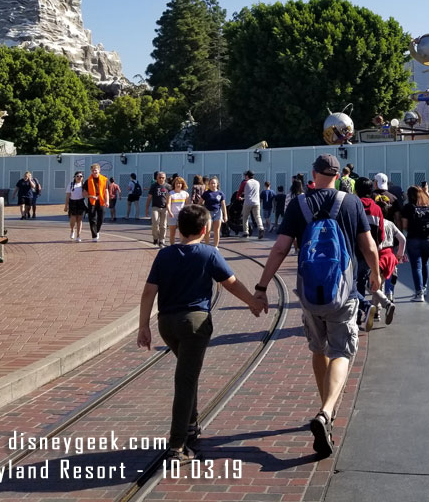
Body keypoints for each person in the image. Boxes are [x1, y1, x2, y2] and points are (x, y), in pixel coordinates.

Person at [252, 154, 380, 458]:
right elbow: (369, 246)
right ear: (338, 175)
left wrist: (261, 286)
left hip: (310, 292)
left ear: (314, 174)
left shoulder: (299, 204)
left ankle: (327, 409)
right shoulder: (351, 203)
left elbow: (281, 247)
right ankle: (326, 412)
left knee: (318, 349)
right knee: (342, 351)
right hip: (343, 291)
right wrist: (376, 275)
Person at [137, 204, 264, 461]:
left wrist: (143, 326)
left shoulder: (165, 255)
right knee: (185, 381)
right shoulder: (208, 253)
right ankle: (177, 445)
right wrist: (252, 301)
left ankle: (191, 424)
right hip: (194, 324)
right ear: (205, 229)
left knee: (187, 372)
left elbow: (149, 291)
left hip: (167, 324)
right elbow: (230, 283)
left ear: (180, 228)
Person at [354, 176, 386, 328]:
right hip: (371, 251)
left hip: (355, 250)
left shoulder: (354, 205)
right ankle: (380, 306)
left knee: (354, 282)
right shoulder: (377, 209)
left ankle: (360, 312)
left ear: (356, 190)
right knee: (371, 280)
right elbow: (381, 233)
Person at [401, 183, 429, 302]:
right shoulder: (427, 205)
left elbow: (405, 225)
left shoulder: (407, 207)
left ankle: (418, 293)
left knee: (416, 266)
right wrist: (426, 191)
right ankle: (424, 288)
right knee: (425, 263)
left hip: (414, 239)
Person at [84, 163, 110, 242]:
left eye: (95, 170)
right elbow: (84, 192)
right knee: (92, 219)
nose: (94, 172)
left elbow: (106, 191)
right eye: (92, 170)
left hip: (101, 201)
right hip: (92, 201)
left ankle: (97, 230)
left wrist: (107, 201)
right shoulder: (88, 181)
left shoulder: (104, 180)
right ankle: (94, 236)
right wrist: (91, 196)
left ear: (99, 170)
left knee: (101, 218)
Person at [146, 171, 171, 247]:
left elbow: (171, 198)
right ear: (157, 178)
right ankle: (155, 237)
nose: (161, 179)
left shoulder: (168, 187)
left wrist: (170, 208)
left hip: (164, 208)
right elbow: (149, 197)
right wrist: (146, 208)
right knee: (155, 223)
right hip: (155, 207)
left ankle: (162, 240)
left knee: (163, 225)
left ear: (165, 178)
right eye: (159, 177)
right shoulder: (154, 186)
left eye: (162, 178)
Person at [201, 176, 227, 249]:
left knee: (217, 230)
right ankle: (206, 246)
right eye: (211, 183)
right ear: (209, 184)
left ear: (217, 184)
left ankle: (216, 246)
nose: (213, 185)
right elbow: (200, 203)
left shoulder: (220, 193)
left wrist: (225, 215)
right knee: (207, 230)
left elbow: (223, 205)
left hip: (217, 212)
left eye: (214, 183)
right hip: (208, 213)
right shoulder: (206, 193)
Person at [167, 176, 190, 246]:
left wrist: (187, 213)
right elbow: (168, 204)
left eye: (180, 183)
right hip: (172, 215)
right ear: (174, 184)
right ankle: (172, 246)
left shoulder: (185, 194)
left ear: (182, 184)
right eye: (177, 183)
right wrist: (170, 212)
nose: (178, 185)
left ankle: (182, 245)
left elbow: (187, 205)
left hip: (182, 215)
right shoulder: (170, 193)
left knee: (182, 232)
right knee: (172, 233)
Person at [64, 171, 86, 241]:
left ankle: (78, 235)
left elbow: (87, 194)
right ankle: (72, 230)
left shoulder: (83, 185)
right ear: (75, 177)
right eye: (78, 176)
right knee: (73, 219)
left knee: (79, 219)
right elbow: (67, 196)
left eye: (81, 176)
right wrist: (66, 206)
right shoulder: (71, 185)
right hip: (73, 202)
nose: (79, 177)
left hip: (80, 202)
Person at [240, 170, 263, 239]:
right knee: (257, 216)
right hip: (257, 202)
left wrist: (238, 196)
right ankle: (261, 228)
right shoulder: (257, 182)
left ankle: (246, 232)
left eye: (245, 175)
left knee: (245, 217)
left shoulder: (245, 182)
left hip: (248, 202)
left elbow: (240, 190)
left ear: (247, 176)